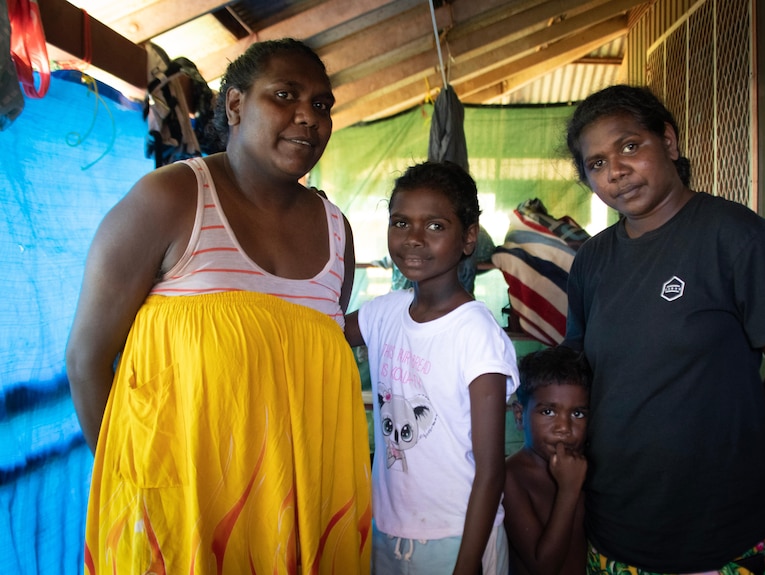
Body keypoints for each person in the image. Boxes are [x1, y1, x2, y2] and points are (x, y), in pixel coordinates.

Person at [65, 39, 371, 574]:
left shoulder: (336, 231)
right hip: (180, 518)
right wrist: (138, 483)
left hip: (296, 517)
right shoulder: (171, 199)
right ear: (234, 106)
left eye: (322, 105)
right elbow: (87, 360)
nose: (308, 117)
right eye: (285, 95)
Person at [562, 84, 765, 575]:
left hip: (720, 530)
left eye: (630, 147)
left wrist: (725, 446)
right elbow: (582, 373)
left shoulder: (737, 238)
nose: (615, 171)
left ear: (670, 142)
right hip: (616, 522)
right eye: (596, 164)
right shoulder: (592, 261)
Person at [343, 161, 520, 575]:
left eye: (436, 226)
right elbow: (315, 333)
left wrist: (468, 561)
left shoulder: (475, 332)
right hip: (388, 530)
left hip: (459, 537)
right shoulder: (382, 313)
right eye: (400, 223)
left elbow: (492, 469)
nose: (414, 239)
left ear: (468, 238)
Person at [503, 345, 591, 575]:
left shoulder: (585, 465)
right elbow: (543, 566)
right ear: (519, 415)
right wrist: (569, 490)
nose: (564, 427)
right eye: (548, 412)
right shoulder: (510, 477)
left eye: (578, 413)